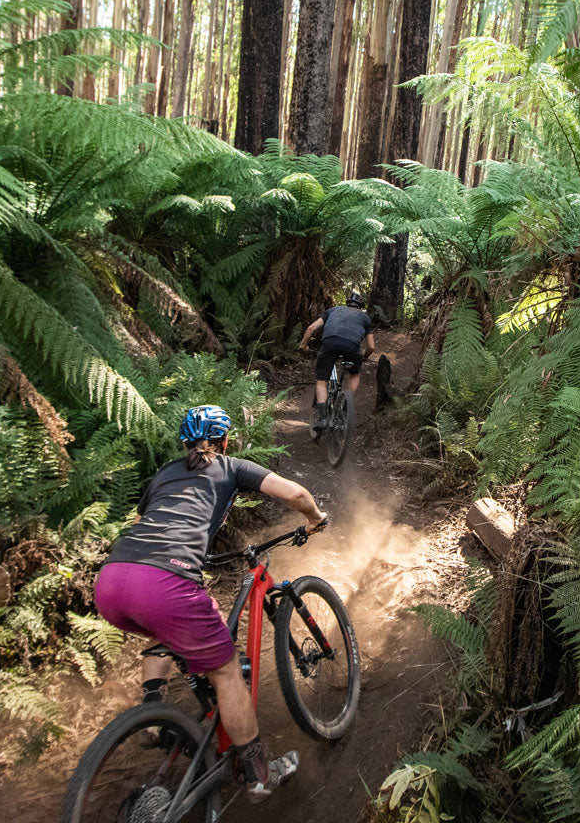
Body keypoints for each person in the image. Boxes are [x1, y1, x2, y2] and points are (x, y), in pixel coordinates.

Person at [93, 405, 328, 803]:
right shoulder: (230, 466)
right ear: (224, 439)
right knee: (226, 673)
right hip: (164, 583)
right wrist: (314, 519)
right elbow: (297, 493)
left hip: (114, 580)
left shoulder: (165, 473)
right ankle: (258, 776)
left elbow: (151, 523)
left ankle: (153, 714)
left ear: (185, 442)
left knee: (163, 626)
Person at [298, 290, 375, 439]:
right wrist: (363, 357)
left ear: (346, 303)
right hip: (352, 347)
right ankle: (347, 404)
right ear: (360, 307)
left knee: (321, 380)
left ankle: (323, 418)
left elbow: (311, 328)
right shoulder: (364, 318)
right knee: (354, 374)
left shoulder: (332, 310)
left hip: (330, 343)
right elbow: (371, 346)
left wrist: (303, 346)